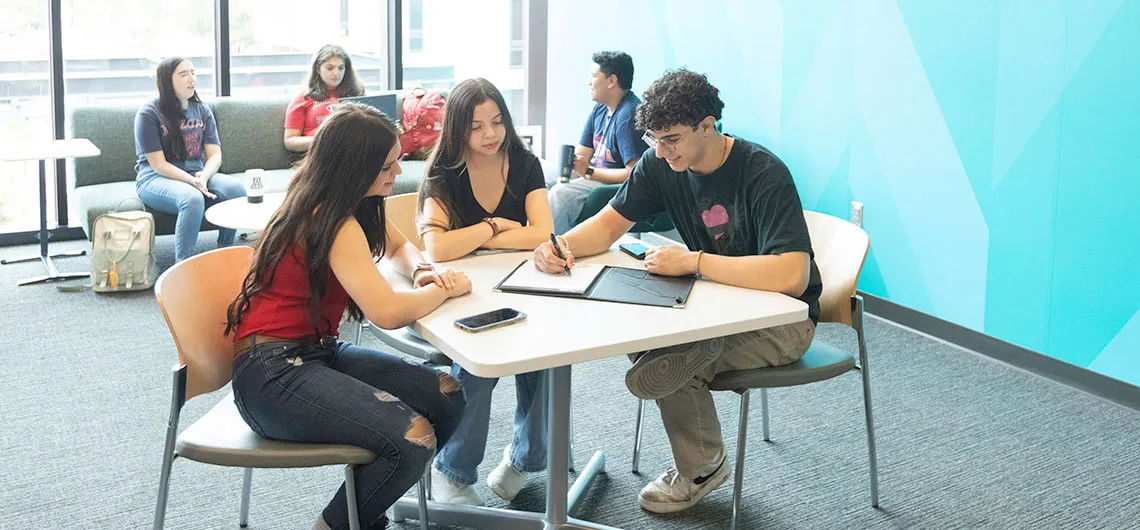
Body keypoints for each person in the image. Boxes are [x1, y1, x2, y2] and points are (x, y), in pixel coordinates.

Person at [533, 69, 822, 514]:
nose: (662, 151)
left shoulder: (764, 173)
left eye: (672, 139)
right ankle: (673, 382)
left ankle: (701, 467)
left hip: (783, 322)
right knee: (644, 333)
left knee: (669, 359)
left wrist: (696, 263)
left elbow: (792, 277)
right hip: (711, 305)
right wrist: (560, 246)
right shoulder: (661, 163)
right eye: (653, 139)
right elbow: (608, 226)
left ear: (707, 125)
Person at [226, 102, 470, 530]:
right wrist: (446, 289)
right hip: (271, 374)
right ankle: (334, 525)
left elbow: (397, 248)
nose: (397, 173)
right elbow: (388, 312)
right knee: (413, 437)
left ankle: (362, 513)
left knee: (447, 396)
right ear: (355, 168)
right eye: (387, 166)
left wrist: (419, 269)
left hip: (315, 351)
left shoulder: (354, 200)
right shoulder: (330, 219)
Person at [416, 78, 554, 505]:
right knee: (477, 367)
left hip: (522, 286)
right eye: (476, 126)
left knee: (549, 358)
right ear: (458, 129)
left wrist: (473, 238)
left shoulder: (525, 164)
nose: (490, 134)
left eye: (496, 122)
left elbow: (544, 233)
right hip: (463, 294)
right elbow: (436, 246)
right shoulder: (444, 171)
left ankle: (523, 460)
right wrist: (495, 228)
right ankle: (452, 470)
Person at [134, 56, 245, 263]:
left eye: (193, 73)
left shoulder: (202, 110)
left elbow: (215, 155)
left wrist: (204, 176)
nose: (191, 79)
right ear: (167, 81)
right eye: (184, 74)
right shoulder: (149, 113)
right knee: (191, 199)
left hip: (197, 173)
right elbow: (158, 164)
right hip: (155, 178)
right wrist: (192, 181)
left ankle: (225, 251)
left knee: (236, 189)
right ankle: (183, 266)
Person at [547, 51, 647, 234]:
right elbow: (582, 154)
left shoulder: (629, 115)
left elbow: (635, 174)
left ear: (611, 81)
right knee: (542, 174)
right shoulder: (599, 109)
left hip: (608, 185)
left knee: (559, 194)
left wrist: (589, 172)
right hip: (591, 177)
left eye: (594, 76)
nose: (589, 82)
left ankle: (549, 251)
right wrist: (572, 168)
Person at [283, 44, 365, 158]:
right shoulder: (304, 97)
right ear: (318, 68)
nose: (336, 73)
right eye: (330, 68)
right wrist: (323, 140)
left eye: (341, 68)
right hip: (319, 155)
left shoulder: (357, 94)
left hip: (354, 153)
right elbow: (290, 141)